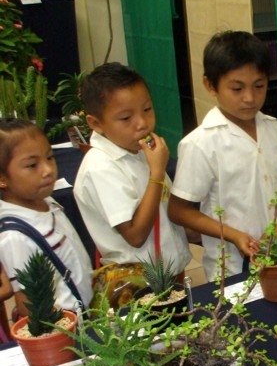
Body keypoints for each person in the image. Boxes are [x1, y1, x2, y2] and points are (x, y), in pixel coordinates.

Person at [169, 31, 277, 280]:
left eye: (259, 86)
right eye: (237, 88)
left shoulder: (274, 129)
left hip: (276, 257)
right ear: (210, 85)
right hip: (228, 267)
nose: (250, 98)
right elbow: (179, 211)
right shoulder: (201, 143)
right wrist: (234, 235)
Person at [74, 62, 191, 277]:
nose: (142, 123)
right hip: (138, 284)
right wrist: (157, 173)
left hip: (171, 271)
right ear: (96, 123)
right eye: (126, 118)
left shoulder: (139, 151)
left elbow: (165, 211)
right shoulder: (100, 167)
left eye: (147, 109)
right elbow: (136, 235)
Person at [0, 118, 93, 315]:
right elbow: (29, 304)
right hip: (66, 330)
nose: (48, 170)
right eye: (32, 165)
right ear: (2, 178)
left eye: (49, 157)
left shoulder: (45, 201)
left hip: (87, 313)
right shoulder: (15, 236)